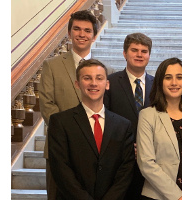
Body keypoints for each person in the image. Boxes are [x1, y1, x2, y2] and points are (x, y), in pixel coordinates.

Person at [48, 59, 134, 199]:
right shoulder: (60, 122)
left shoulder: (123, 125)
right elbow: (61, 169)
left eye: (99, 78)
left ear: (107, 84)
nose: (93, 83)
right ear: (77, 84)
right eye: (87, 78)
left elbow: (126, 170)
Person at [38, 10, 99, 199]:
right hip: (60, 150)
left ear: (94, 36)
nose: (82, 34)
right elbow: (47, 105)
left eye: (87, 30)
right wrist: (72, 135)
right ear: (69, 33)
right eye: (77, 29)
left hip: (94, 153)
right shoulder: (51, 65)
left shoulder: (104, 69)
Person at [136, 58, 182, 200]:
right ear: (160, 82)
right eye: (168, 77)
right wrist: (177, 196)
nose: (174, 83)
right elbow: (146, 163)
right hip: (158, 196)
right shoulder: (147, 115)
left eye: (179, 77)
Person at [103, 32, 154, 199]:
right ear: (125, 53)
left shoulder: (159, 84)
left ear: (149, 55)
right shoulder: (110, 82)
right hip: (120, 162)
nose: (139, 54)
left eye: (144, 51)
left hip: (152, 161)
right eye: (134, 50)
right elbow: (106, 119)